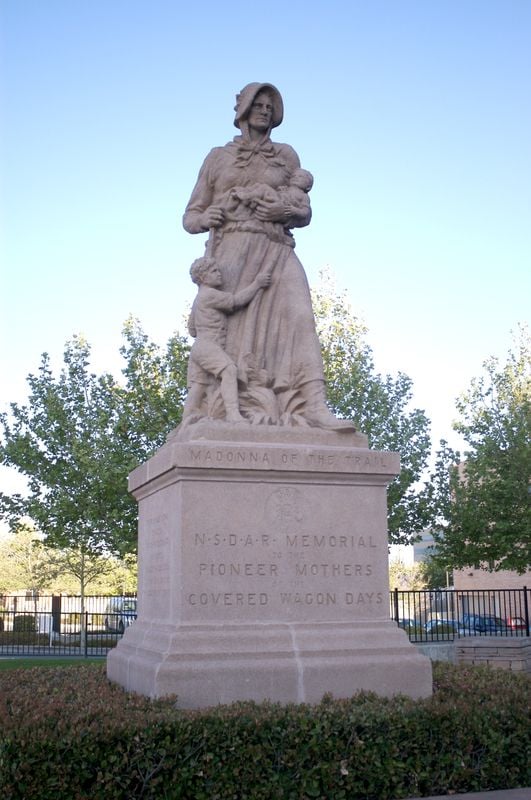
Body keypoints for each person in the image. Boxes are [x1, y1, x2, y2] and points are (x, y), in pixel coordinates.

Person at [183, 82, 353, 430]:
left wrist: (281, 211)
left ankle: (315, 406)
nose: (264, 111)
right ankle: (220, 409)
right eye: (257, 105)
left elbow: (304, 214)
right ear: (243, 109)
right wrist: (204, 218)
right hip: (231, 254)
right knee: (228, 337)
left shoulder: (287, 156)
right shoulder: (218, 158)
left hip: (276, 247)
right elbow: (190, 217)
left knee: (302, 316)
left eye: (269, 106)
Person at [183, 256, 271, 423]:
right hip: (209, 344)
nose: (219, 274)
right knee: (229, 370)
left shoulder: (198, 299)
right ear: (203, 277)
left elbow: (192, 329)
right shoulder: (210, 295)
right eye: (214, 271)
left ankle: (187, 418)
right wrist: (257, 284)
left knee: (199, 385)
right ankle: (232, 413)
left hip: (199, 347)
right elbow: (236, 301)